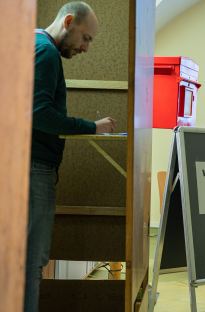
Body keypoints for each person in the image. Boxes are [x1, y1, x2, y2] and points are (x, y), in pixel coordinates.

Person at [25, 2, 116, 311]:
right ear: (68, 21)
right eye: (85, 38)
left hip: (28, 164)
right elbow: (40, 114)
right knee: (31, 261)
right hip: (35, 168)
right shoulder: (47, 53)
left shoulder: (31, 43)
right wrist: (91, 126)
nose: (85, 48)